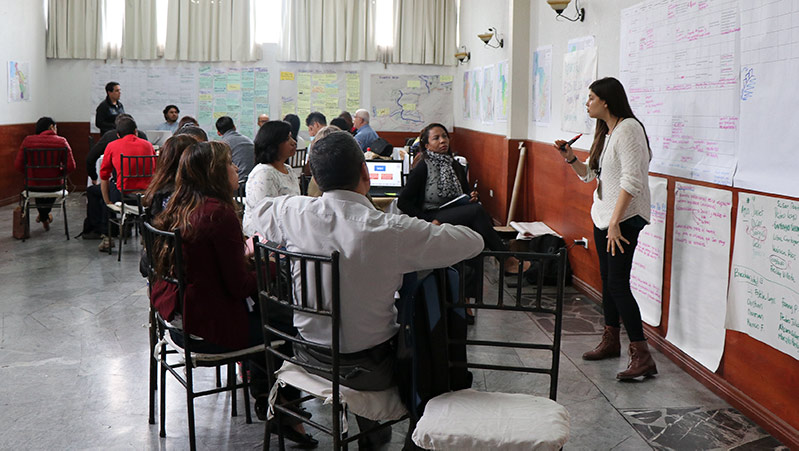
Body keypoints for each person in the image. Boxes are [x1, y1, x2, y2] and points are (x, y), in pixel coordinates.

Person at [251, 130, 483, 446]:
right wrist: (431, 229)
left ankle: (371, 427)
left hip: (306, 352)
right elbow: (473, 242)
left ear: (316, 177)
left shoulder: (292, 211)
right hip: (371, 368)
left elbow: (256, 215)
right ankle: (381, 429)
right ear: (365, 171)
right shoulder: (391, 228)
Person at [148, 141, 316, 447]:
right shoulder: (218, 214)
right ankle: (284, 411)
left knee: (270, 314)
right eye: (229, 164)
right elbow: (238, 286)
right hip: (206, 330)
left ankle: (267, 397)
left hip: (177, 321)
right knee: (289, 325)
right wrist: (266, 265)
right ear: (213, 172)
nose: (236, 168)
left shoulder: (179, 205)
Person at [553, 76, 656, 381]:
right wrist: (570, 158)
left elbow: (632, 182)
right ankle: (611, 341)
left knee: (618, 284)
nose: (587, 103)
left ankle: (643, 355)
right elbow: (589, 176)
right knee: (608, 280)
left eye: (590, 98)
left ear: (606, 100)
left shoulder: (629, 130)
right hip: (604, 217)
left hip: (623, 219)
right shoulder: (607, 132)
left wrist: (615, 222)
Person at [398, 123, 528, 277]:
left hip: (453, 211)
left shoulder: (454, 164)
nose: (442, 141)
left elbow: (466, 191)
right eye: (436, 138)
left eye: (445, 136)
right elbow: (403, 202)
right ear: (427, 145)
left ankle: (478, 273)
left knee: (479, 215)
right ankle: (505, 259)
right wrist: (426, 219)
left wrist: (472, 196)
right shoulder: (423, 166)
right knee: (477, 212)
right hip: (431, 215)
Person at [97, 116, 156, 252]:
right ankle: (144, 232)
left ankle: (108, 237)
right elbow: (156, 170)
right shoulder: (148, 145)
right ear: (136, 131)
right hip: (147, 196)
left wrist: (108, 202)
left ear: (118, 135)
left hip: (123, 195)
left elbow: (104, 175)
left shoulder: (112, 145)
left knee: (100, 191)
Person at [15, 117, 76, 231]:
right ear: (51, 127)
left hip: (33, 185)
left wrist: (31, 174)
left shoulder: (27, 141)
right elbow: (71, 166)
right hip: (55, 185)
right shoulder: (62, 141)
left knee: (39, 189)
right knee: (49, 189)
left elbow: (18, 165)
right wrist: (60, 173)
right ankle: (44, 216)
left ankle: (43, 216)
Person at [241, 121, 299, 237]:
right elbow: (265, 218)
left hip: (286, 231)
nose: (294, 143)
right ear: (273, 144)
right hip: (263, 239)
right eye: (287, 139)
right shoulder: (264, 173)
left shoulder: (288, 169)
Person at [86, 114, 149, 187]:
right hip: (145, 185)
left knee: (92, 190)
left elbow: (91, 159)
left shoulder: (111, 140)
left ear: (118, 133)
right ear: (135, 131)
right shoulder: (146, 142)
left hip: (121, 185)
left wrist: (94, 177)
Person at [216, 115, 254, 180]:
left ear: (218, 133)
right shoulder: (248, 140)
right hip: (253, 179)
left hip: (238, 182)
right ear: (234, 127)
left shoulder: (223, 144)